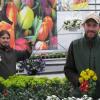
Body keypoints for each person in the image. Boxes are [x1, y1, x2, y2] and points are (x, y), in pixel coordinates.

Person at [64, 13, 100, 99]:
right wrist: (79, 80)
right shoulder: (75, 45)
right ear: (83, 26)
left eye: (94, 25)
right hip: (80, 94)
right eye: (88, 25)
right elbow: (68, 69)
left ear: (99, 27)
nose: (91, 28)